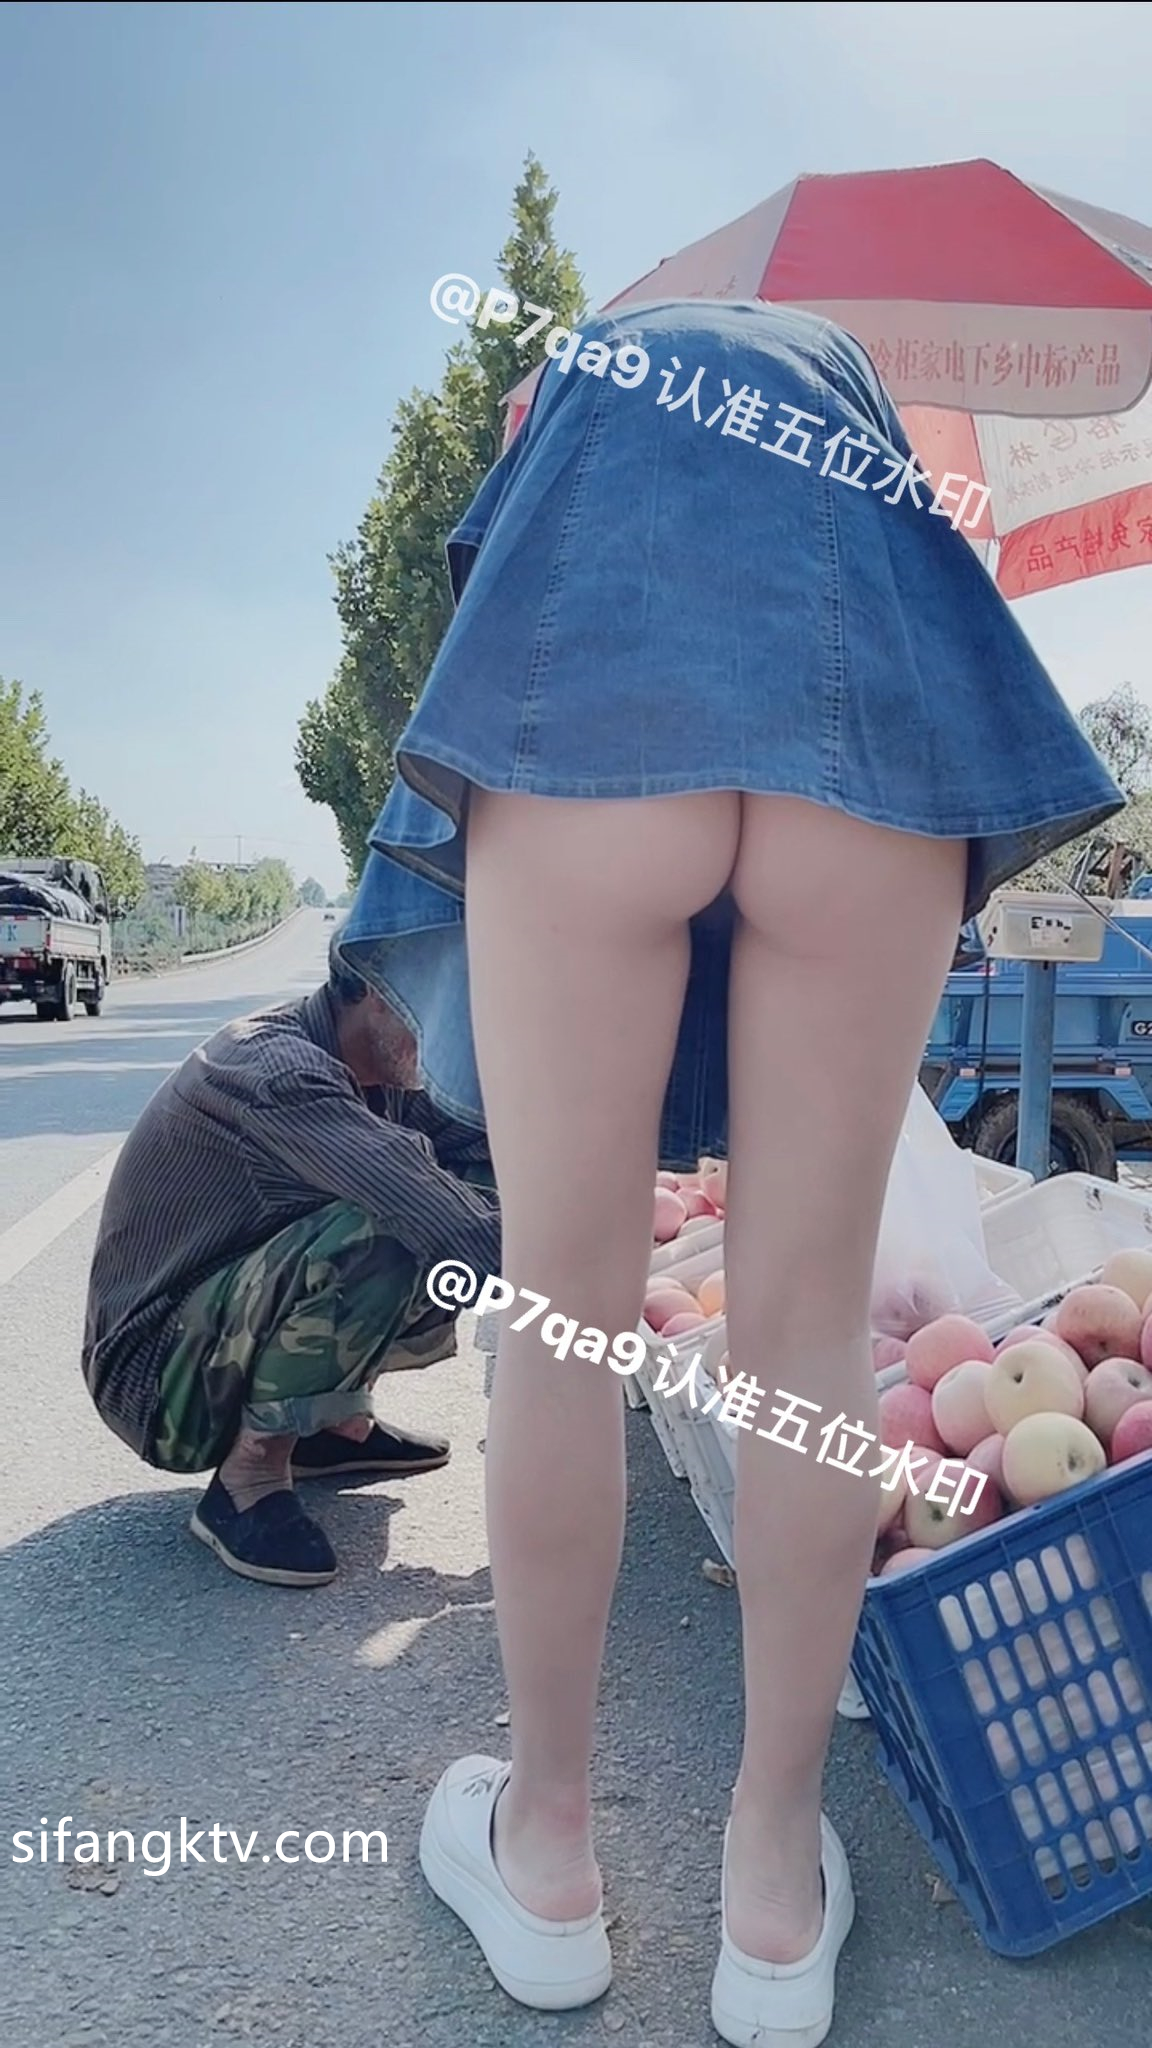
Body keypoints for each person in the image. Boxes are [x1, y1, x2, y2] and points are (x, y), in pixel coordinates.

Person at [338, 299, 1123, 2044]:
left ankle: (547, 1855)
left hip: (592, 688)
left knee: (559, 1310)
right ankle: (770, 1889)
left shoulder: (593, 372)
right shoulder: (840, 387)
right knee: (802, 1328)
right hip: (867, 718)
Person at [82, 942, 500, 1589]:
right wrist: (604, 1323)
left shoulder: (377, 1064)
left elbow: (490, 1148)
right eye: (442, 1013)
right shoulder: (278, 1074)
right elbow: (451, 1224)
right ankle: (248, 1477)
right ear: (374, 991)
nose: (455, 1038)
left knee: (472, 1177)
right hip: (158, 1380)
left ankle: (321, 1428)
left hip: (219, 1327)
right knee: (394, 1224)